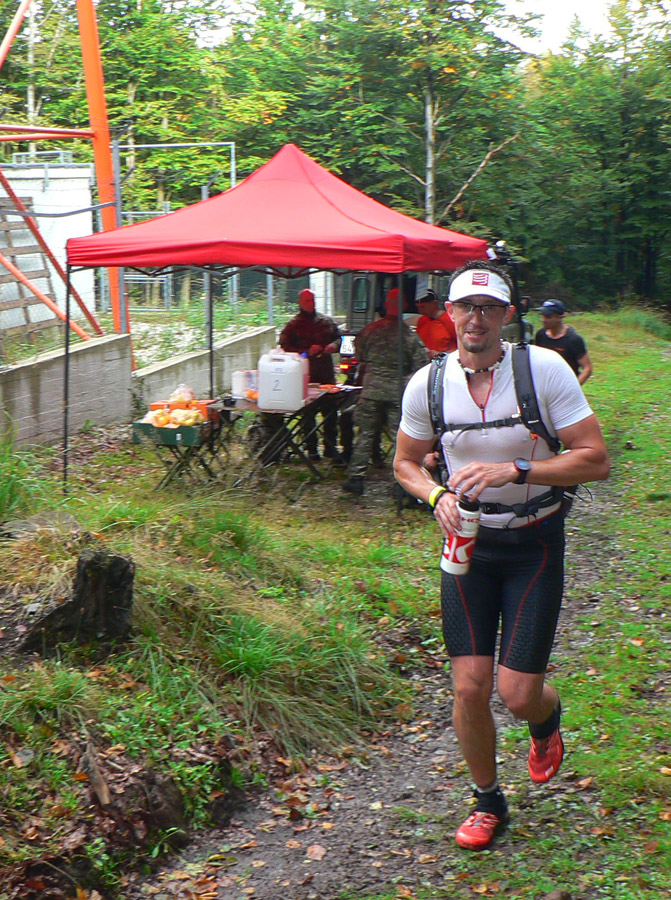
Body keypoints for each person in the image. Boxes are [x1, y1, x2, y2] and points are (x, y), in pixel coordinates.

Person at [393, 260, 610, 851]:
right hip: (467, 544)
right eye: (466, 306)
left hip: (534, 541)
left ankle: (545, 719)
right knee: (469, 686)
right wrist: (435, 495)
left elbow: (595, 459)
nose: (476, 319)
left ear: (507, 316)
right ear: (450, 313)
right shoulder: (427, 384)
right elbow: (405, 462)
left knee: (516, 693)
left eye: (489, 309)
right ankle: (487, 801)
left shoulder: (543, 370)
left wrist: (517, 468)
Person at [342, 288, 428, 496]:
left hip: (371, 390)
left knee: (366, 434)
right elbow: (421, 365)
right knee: (400, 438)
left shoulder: (370, 330)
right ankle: (401, 483)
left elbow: (359, 356)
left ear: (386, 304)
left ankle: (356, 478)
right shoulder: (410, 336)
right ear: (404, 305)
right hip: (397, 392)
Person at [279, 288, 344, 462]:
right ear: (300, 302)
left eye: (313, 300)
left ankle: (331, 447)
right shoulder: (293, 325)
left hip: (326, 374)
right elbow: (285, 347)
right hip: (305, 374)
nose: (311, 303)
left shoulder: (326, 321)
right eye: (307, 300)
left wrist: (333, 346)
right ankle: (312, 449)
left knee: (331, 413)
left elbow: (341, 339)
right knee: (308, 415)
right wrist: (306, 352)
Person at [534, 299, 593, 385]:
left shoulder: (573, 339)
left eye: (548, 317)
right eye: (542, 316)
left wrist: (573, 387)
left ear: (560, 317)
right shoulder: (541, 335)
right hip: (545, 384)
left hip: (565, 384)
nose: (543, 320)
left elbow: (587, 368)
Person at [415, 288, 457, 357]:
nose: (420, 311)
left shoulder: (450, 319)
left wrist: (440, 355)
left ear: (434, 303)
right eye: (418, 307)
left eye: (423, 307)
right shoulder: (422, 320)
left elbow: (461, 346)